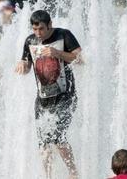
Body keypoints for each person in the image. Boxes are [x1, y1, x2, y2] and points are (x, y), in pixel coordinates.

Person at [15, 10, 82, 179]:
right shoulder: (30, 40)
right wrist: (23, 65)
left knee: (58, 137)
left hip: (66, 95)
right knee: (43, 142)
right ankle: (48, 176)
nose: (38, 33)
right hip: (43, 98)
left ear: (50, 25)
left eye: (42, 29)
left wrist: (58, 53)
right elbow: (28, 64)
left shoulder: (64, 35)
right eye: (35, 29)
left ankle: (73, 173)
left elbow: (80, 58)